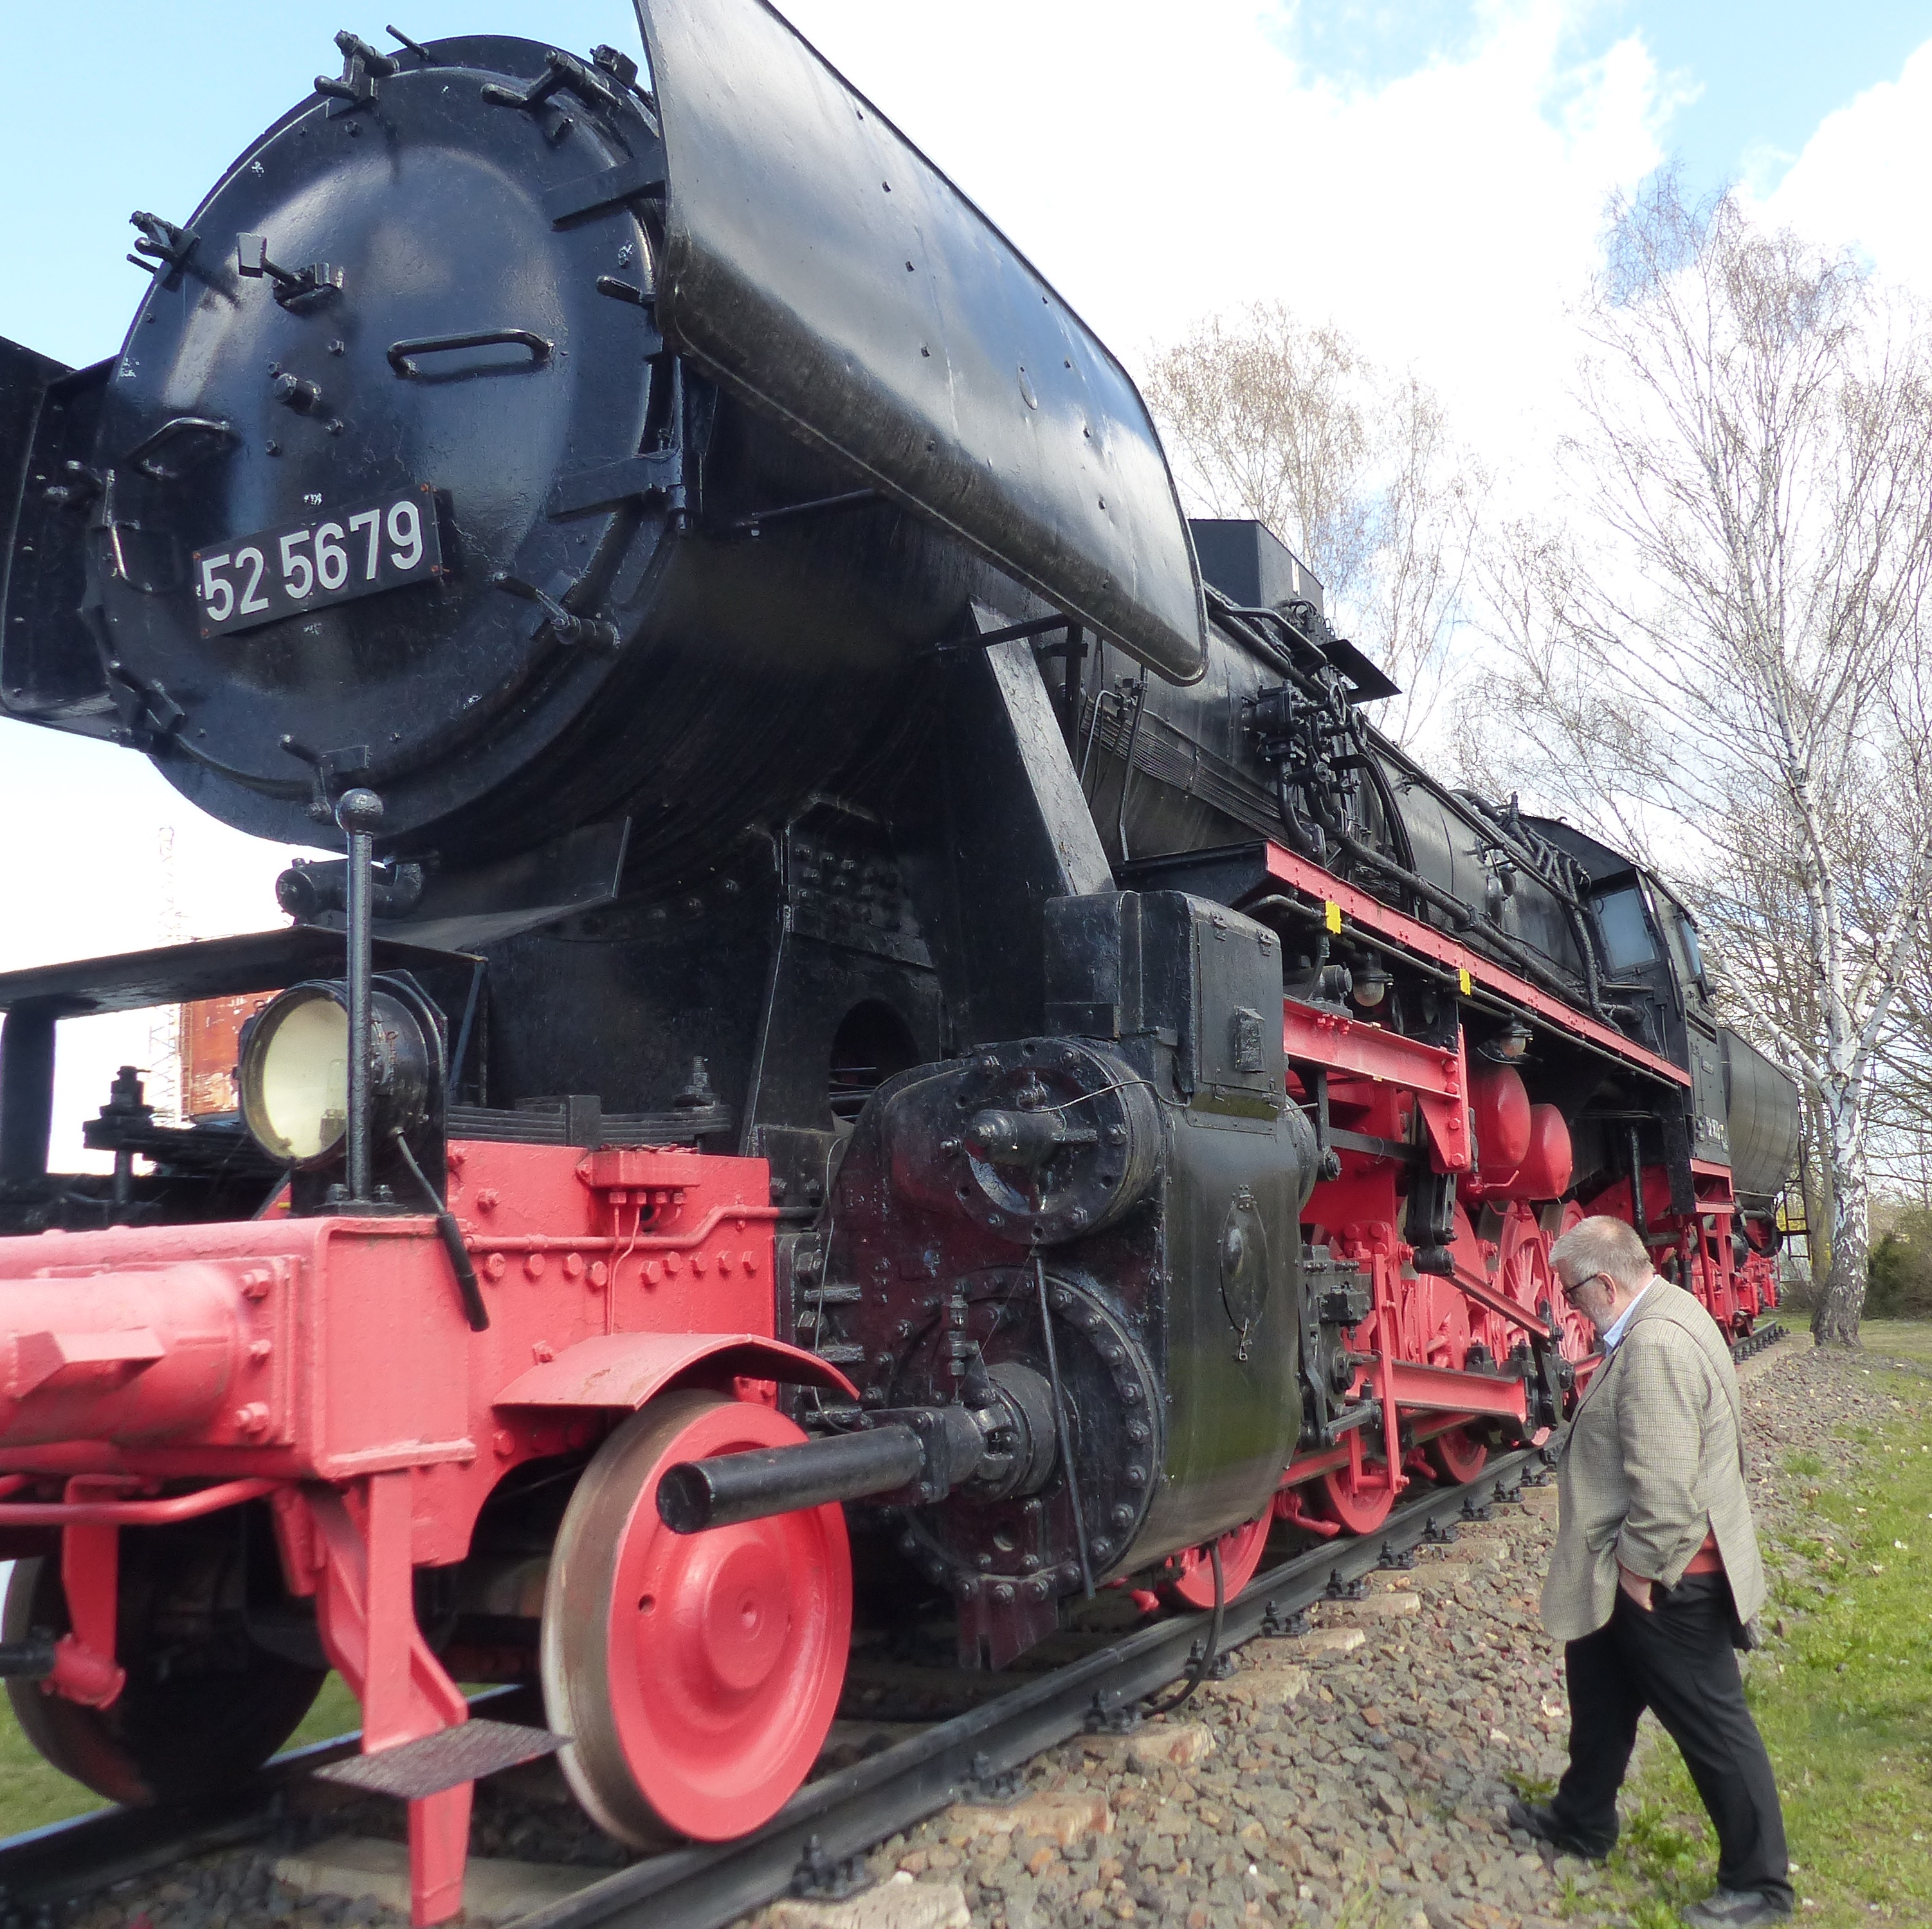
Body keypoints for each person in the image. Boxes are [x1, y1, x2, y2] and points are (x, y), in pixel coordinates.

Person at [1508, 1214, 1793, 1928]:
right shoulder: (1667, 1310)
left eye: (1573, 1292)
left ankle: (1761, 1888)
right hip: (1634, 1565)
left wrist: (1639, 1574)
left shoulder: (1655, 1345)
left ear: (1604, 1282)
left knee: (1713, 1726)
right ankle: (1582, 1820)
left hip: (1668, 1577)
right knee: (1598, 1691)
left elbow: (1665, 1492)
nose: (1568, 1305)